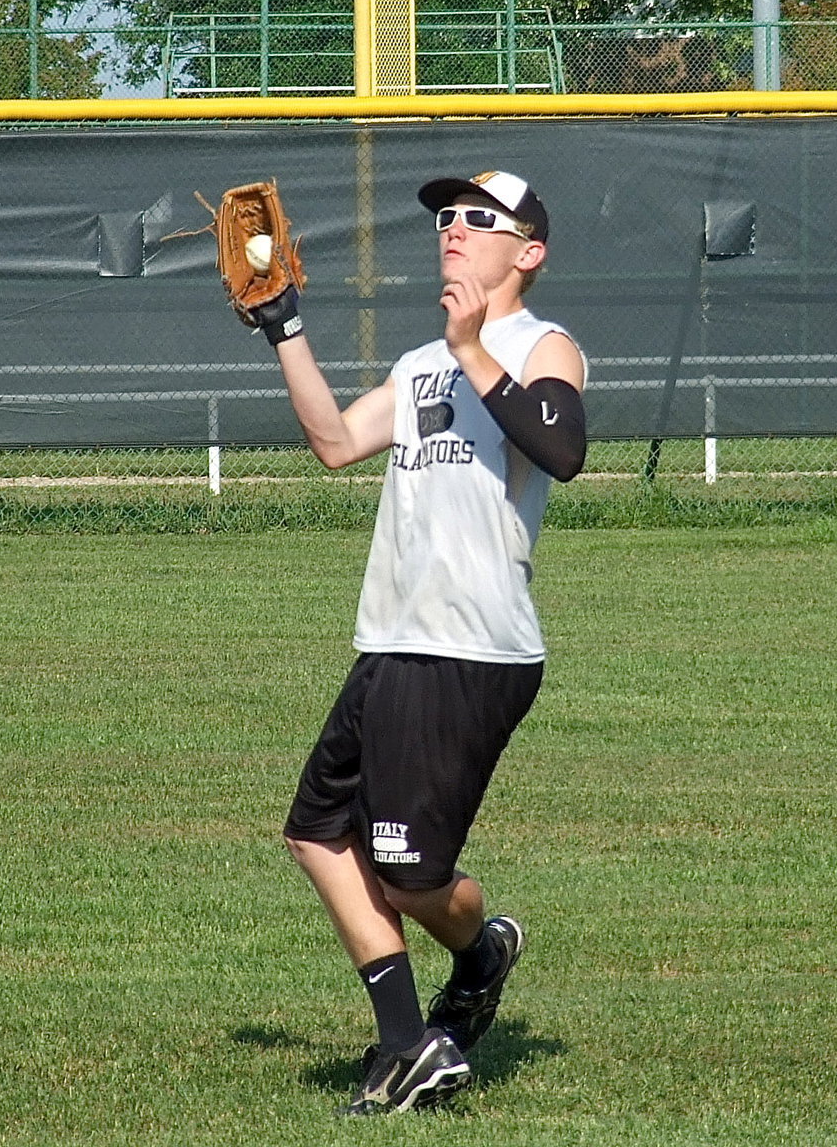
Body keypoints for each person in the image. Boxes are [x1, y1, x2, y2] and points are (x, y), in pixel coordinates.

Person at [254, 169, 588, 1115]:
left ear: (528, 253)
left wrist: (474, 346)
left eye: (480, 219)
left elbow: (563, 448)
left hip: (472, 649)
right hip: (392, 640)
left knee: (404, 878)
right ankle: (410, 1043)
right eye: (447, 216)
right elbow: (333, 442)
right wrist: (286, 328)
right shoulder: (417, 363)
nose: (454, 229)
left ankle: (478, 955)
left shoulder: (542, 343)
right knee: (316, 836)